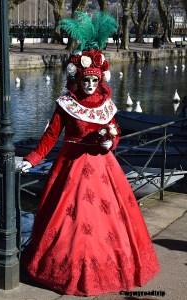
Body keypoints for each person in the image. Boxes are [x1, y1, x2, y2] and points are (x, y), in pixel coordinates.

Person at [18, 12, 160, 296]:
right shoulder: (66, 104)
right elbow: (49, 138)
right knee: (71, 224)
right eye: (86, 81)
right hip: (71, 168)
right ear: (79, 79)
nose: (91, 86)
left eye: (95, 81)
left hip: (103, 169)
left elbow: (114, 129)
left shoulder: (106, 103)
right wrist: (31, 159)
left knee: (108, 225)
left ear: (100, 80)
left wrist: (111, 142)